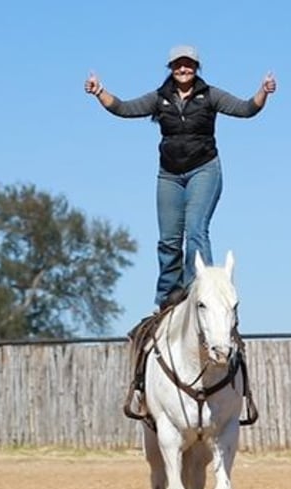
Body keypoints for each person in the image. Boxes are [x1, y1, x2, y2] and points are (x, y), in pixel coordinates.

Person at [84, 45, 276, 311]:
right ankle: (166, 300)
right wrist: (99, 92)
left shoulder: (210, 95)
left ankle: (200, 288)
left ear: (196, 68)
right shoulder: (159, 98)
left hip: (204, 169)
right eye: (178, 65)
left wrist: (263, 92)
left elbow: (246, 109)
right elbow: (124, 108)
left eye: (188, 64)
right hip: (170, 175)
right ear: (171, 68)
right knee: (169, 240)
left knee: (196, 230)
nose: (183, 69)